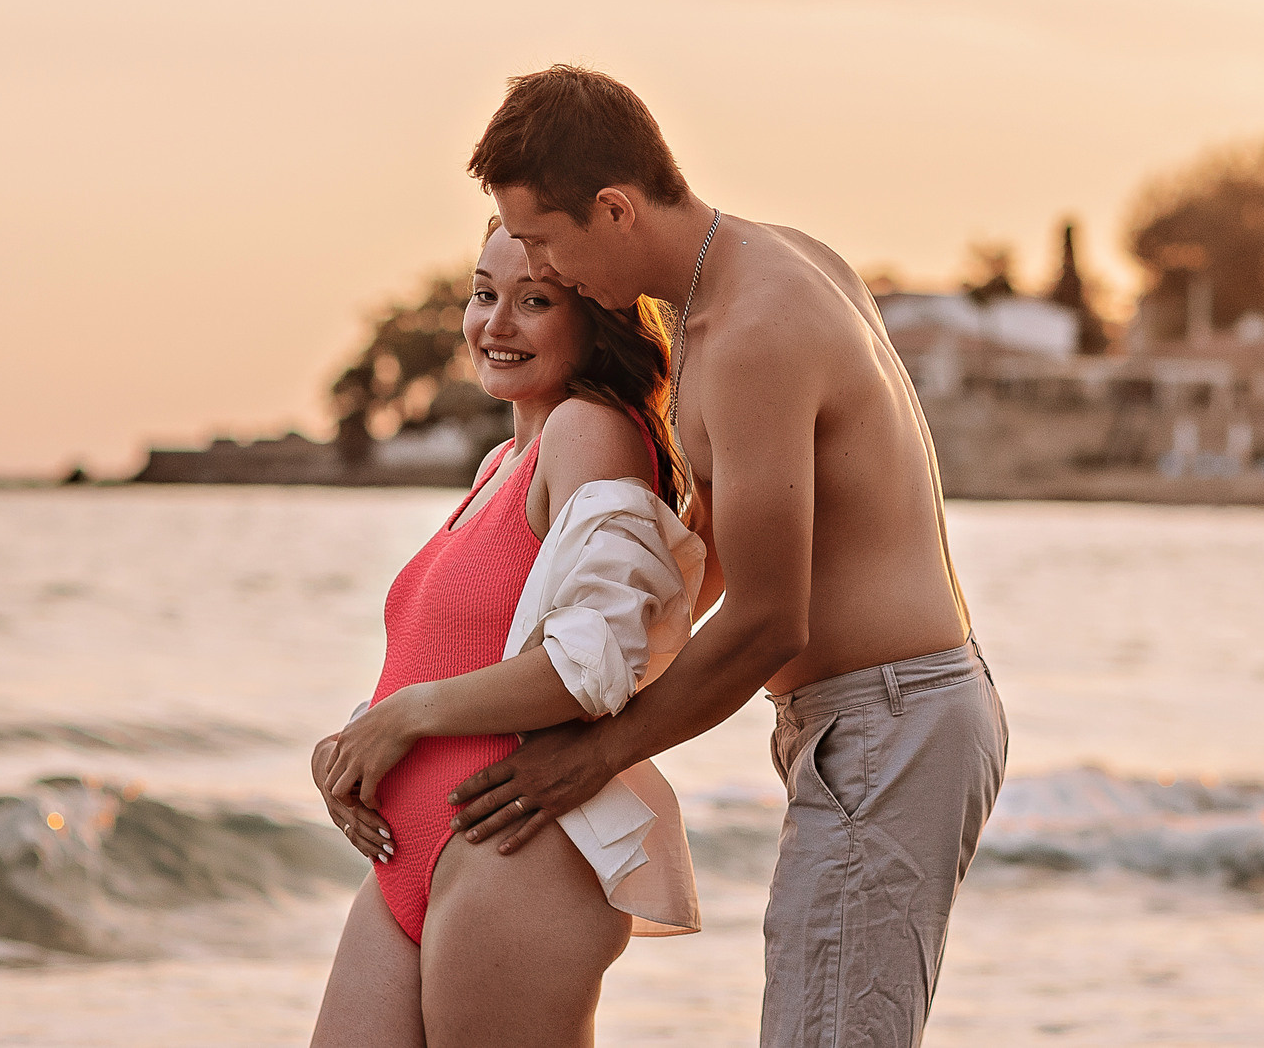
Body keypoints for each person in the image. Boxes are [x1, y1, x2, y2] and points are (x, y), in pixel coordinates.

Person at [448, 66, 1007, 1048]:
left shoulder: (754, 328)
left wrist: (594, 755)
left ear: (614, 207)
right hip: (874, 714)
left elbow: (766, 619)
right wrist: (564, 676)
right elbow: (713, 542)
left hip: (889, 716)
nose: (541, 263)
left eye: (543, 238)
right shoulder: (751, 272)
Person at [308, 223, 710, 1048]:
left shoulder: (588, 429)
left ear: (594, 316)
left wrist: (406, 716)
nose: (497, 322)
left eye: (535, 300)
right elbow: (457, 651)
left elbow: (594, 663)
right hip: (410, 861)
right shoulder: (500, 461)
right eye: (484, 293)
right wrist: (355, 743)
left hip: (512, 852)